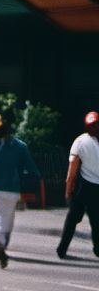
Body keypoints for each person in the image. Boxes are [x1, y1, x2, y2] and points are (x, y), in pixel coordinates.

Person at [0, 113, 40, 268]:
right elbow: (32, 170)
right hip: (12, 189)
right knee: (8, 221)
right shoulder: (20, 146)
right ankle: (2, 245)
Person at [57, 110, 99, 259]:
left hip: (83, 188)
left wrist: (68, 191)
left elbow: (72, 171)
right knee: (96, 221)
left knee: (72, 220)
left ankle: (62, 249)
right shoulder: (81, 141)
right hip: (95, 189)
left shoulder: (80, 141)